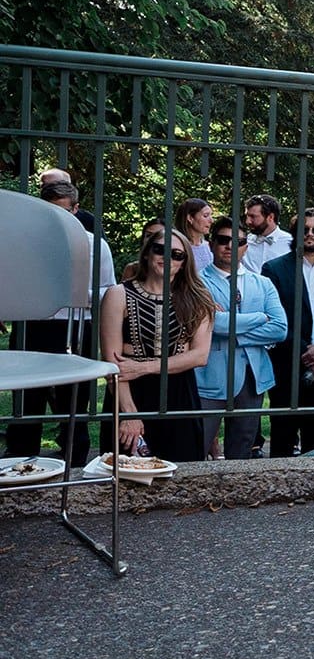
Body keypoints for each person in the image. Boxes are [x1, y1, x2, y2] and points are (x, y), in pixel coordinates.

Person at [3, 181, 114, 466]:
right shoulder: (24, 242)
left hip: (77, 326)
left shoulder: (95, 245)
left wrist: (73, 295)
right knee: (28, 395)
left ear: (76, 209)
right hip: (33, 324)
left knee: (74, 396)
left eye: (64, 211)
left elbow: (108, 290)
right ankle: (19, 457)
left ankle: (74, 458)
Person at [100, 228, 216, 460]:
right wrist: (129, 415)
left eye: (177, 254)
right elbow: (113, 363)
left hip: (180, 393)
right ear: (146, 254)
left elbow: (199, 356)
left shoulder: (198, 298)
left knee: (182, 470)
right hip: (129, 394)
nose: (168, 258)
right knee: (125, 471)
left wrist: (142, 367)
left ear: (184, 262)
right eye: (160, 250)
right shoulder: (118, 294)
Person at [198, 218, 287, 459]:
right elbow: (210, 324)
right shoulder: (196, 283)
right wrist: (259, 317)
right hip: (209, 376)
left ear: (245, 246)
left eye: (237, 241)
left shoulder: (263, 283)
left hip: (252, 376)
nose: (230, 246)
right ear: (211, 244)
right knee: (197, 444)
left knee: (243, 447)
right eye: (223, 240)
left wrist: (231, 332)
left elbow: (280, 328)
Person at [261, 208, 314, 458]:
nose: (310, 234)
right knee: (282, 438)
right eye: (304, 229)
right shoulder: (274, 269)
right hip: (287, 365)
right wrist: (304, 352)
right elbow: (271, 318)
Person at [241, 194, 292, 274]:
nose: (248, 221)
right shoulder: (243, 243)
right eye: (247, 216)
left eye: (253, 217)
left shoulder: (290, 243)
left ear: (270, 217)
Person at [177, 198, 215, 276]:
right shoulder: (178, 247)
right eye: (205, 216)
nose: (211, 220)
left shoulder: (209, 246)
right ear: (190, 218)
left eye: (211, 215)